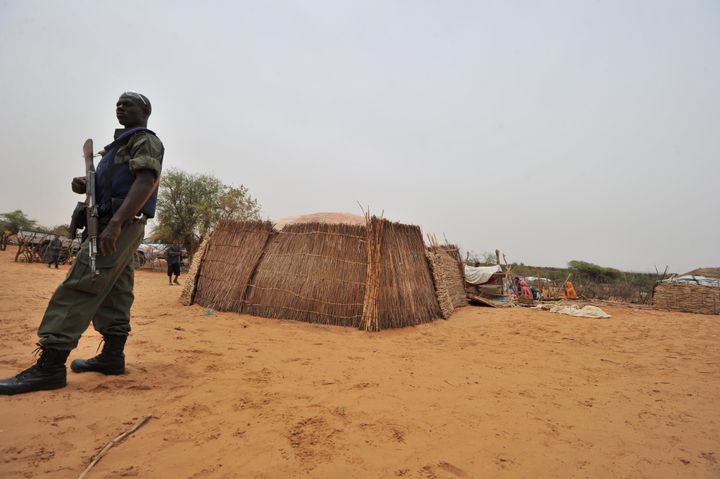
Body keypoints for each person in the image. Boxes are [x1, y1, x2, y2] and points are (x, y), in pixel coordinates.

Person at [0, 91, 164, 395]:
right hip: (111, 223)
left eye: (128, 103)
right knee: (116, 288)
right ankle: (112, 357)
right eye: (117, 103)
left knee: (81, 284)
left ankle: (50, 366)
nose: (120, 107)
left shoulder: (144, 140)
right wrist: (86, 184)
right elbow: (116, 185)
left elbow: (145, 181)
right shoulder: (113, 149)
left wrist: (115, 224)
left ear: (145, 111)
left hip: (118, 224)